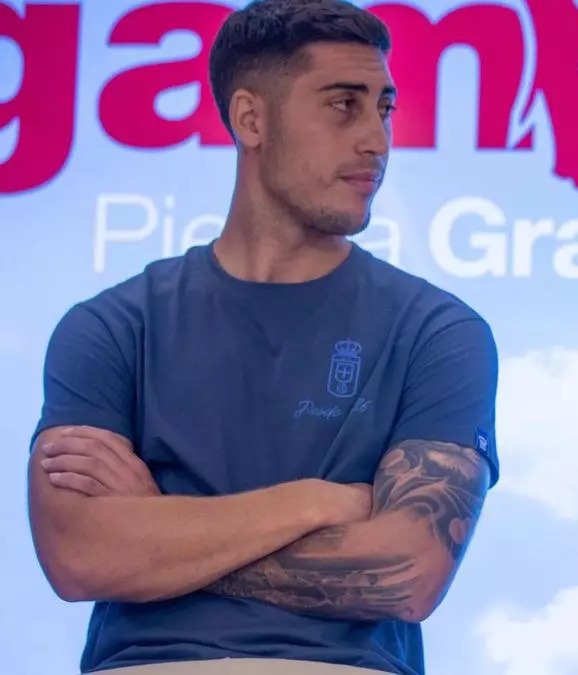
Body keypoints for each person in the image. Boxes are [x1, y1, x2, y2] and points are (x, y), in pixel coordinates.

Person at [26, 1, 500, 673]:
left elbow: (408, 575)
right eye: (344, 105)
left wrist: (160, 530)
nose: (377, 139)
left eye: (384, 108)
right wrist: (315, 502)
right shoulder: (111, 327)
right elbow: (78, 555)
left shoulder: (439, 332)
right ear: (251, 119)